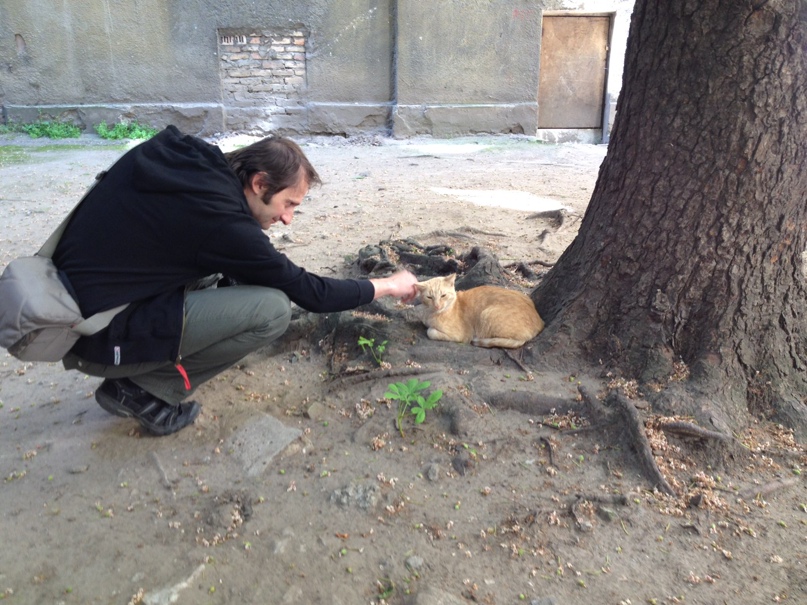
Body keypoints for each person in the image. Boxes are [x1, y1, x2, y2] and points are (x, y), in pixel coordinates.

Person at [52, 125, 418, 436]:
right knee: (272, 309)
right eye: (288, 204)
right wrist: (387, 285)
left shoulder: (191, 159)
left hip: (75, 295)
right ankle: (142, 390)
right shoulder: (223, 223)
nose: (288, 218)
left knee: (225, 272)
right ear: (260, 183)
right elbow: (309, 292)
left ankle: (151, 360)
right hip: (95, 333)